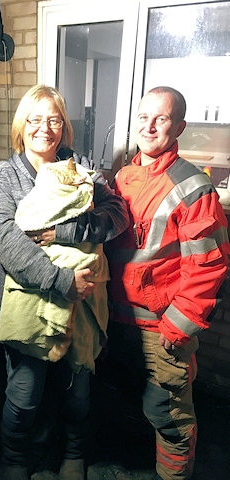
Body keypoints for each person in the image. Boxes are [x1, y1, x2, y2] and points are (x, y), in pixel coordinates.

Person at [0, 84, 130, 480]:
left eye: (54, 119)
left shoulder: (79, 167)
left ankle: (74, 454)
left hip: (80, 303)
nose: (44, 128)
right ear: (21, 125)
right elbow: (0, 235)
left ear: (63, 126)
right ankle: (14, 459)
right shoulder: (4, 176)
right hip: (29, 302)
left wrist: (61, 234)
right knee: (24, 394)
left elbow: (117, 214)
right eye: (34, 119)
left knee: (78, 387)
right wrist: (58, 279)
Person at [105, 86, 230, 480]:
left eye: (161, 118)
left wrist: (178, 328)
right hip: (117, 324)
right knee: (128, 406)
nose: (150, 126)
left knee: (170, 419)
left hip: (161, 331)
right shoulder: (123, 177)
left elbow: (209, 266)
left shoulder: (194, 187)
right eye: (143, 117)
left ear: (179, 127)